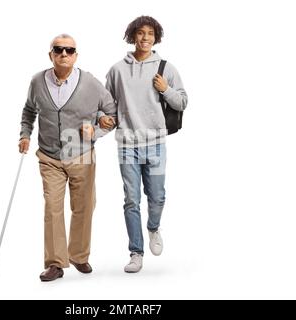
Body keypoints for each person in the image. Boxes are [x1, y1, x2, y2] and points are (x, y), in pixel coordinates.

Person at [19, 34, 116, 281]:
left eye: (69, 50)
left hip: (81, 154)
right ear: (50, 54)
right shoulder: (37, 82)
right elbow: (29, 111)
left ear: (76, 55)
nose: (64, 54)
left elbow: (112, 113)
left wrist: (97, 129)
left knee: (84, 206)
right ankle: (55, 263)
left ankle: (79, 256)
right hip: (49, 156)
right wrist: (25, 135)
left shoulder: (91, 83)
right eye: (58, 49)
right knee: (52, 207)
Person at [100, 16, 188, 273]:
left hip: (157, 144)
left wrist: (166, 89)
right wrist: (103, 120)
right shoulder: (117, 70)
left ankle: (153, 229)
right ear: (132, 36)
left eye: (150, 33)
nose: (145, 38)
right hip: (127, 145)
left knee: (158, 197)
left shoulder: (166, 68)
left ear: (156, 37)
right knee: (131, 200)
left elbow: (181, 102)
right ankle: (136, 252)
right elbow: (108, 106)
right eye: (140, 33)